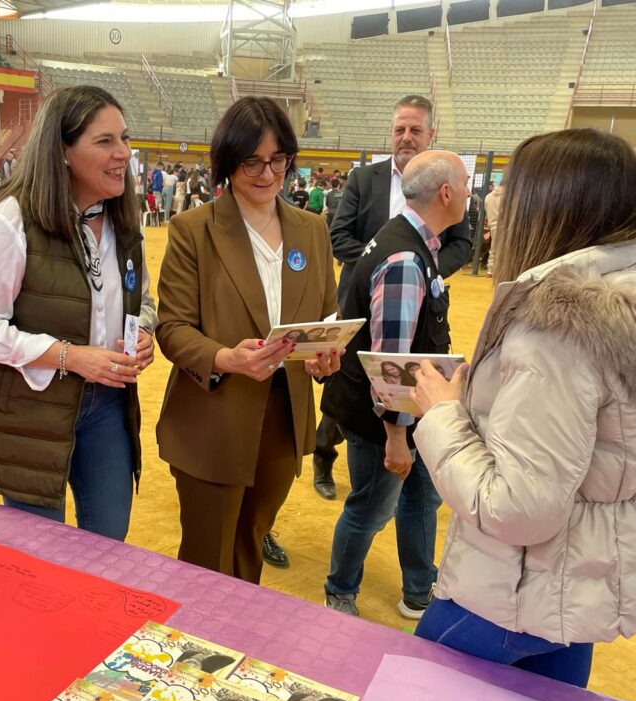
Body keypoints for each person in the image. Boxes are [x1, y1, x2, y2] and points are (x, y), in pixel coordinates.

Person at [411, 129, 636, 688]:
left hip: (513, 593)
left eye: (513, 192)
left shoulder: (558, 326)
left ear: (548, 205)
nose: (499, 208)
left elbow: (519, 508)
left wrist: (440, 414)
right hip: (581, 588)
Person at [0, 85, 157, 541]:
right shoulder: (11, 222)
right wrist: (68, 356)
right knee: (42, 559)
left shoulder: (126, 224)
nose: (123, 153)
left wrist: (143, 330)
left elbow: (141, 300)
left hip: (107, 406)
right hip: (33, 407)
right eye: (104, 142)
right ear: (62, 151)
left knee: (108, 543)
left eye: (124, 139)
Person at [155, 96, 340, 585]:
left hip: (282, 421)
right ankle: (195, 654)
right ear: (227, 163)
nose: (266, 173)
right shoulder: (193, 230)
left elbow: (327, 315)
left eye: (277, 160)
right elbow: (172, 328)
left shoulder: (312, 230)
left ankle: (237, 646)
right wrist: (224, 357)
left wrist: (325, 357)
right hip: (214, 419)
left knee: (250, 543)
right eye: (251, 162)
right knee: (208, 556)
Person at [321, 151, 470, 620]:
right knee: (371, 505)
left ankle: (419, 587)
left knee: (422, 496)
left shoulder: (408, 241)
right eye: (465, 184)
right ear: (446, 193)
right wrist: (396, 437)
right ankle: (340, 589)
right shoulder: (406, 257)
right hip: (384, 416)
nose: (470, 192)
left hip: (412, 409)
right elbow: (392, 362)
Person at [316, 95, 472, 503]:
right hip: (360, 302)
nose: (405, 137)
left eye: (415, 130)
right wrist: (385, 261)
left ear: (430, 134)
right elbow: (339, 236)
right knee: (348, 389)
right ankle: (322, 454)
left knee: (387, 381)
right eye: (399, 129)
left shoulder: (446, 179)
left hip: (418, 303)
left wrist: (425, 267)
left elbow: (462, 243)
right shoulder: (365, 179)